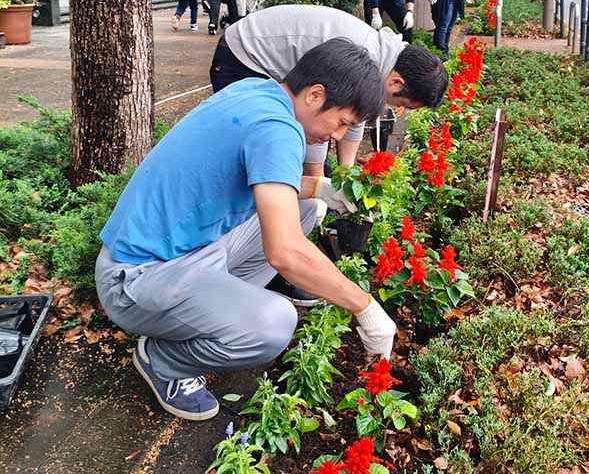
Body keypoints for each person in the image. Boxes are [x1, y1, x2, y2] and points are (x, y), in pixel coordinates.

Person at [95, 38, 397, 421]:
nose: (339, 136)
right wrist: (364, 306)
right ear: (315, 95)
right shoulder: (278, 131)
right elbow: (285, 252)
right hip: (135, 279)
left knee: (305, 207)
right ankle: (163, 360)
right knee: (274, 324)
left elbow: (266, 182)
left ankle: (209, 309)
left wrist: (321, 188)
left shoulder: (258, 91)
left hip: (186, 250)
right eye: (342, 123)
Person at [210, 4, 448, 177]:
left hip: (273, 64)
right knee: (265, 152)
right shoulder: (365, 55)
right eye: (403, 105)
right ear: (397, 83)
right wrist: (319, 186)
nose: (397, 110)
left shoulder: (383, 58)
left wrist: (345, 172)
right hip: (243, 58)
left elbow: (353, 116)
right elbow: (319, 117)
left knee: (319, 167)